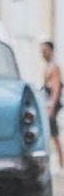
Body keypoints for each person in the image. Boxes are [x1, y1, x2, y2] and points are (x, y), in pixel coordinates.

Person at [41, 40, 63, 169]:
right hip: (48, 102)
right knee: (51, 134)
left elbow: (55, 89)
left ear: (51, 51)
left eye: (45, 51)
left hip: (52, 104)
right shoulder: (48, 66)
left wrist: (51, 106)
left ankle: (61, 162)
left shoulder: (54, 67)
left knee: (54, 135)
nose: (43, 54)